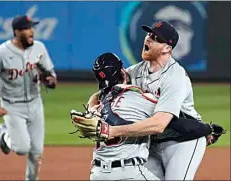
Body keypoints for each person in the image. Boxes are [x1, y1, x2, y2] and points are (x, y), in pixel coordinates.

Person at [72, 52, 224, 180]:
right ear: (123, 71)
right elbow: (172, 123)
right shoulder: (136, 99)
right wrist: (207, 129)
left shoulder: (99, 105)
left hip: (97, 173)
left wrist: (91, 110)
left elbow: (96, 96)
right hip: (128, 172)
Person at [88, 21, 208, 180]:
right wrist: (91, 109)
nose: (148, 39)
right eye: (149, 34)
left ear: (167, 48)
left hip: (184, 140)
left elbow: (159, 124)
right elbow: (105, 93)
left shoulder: (175, 76)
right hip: (153, 140)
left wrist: (113, 131)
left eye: (156, 38)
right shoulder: (136, 71)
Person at [0, 15, 57, 180]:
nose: (32, 31)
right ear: (17, 31)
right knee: (21, 148)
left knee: (36, 152)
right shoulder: (1, 53)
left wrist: (50, 80)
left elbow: (50, 75)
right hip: (12, 106)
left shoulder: (39, 48)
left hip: (35, 103)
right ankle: (4, 134)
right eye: (27, 28)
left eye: (32, 27)